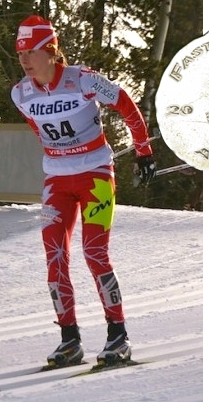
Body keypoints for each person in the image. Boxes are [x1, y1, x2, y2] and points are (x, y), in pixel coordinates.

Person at [11, 15, 157, 367]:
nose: (25, 60)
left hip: (95, 176)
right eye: (20, 54)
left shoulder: (82, 80)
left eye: (31, 52)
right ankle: (69, 340)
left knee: (95, 253)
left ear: (51, 50)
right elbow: (40, 131)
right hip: (57, 181)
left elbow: (125, 104)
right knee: (55, 256)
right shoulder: (21, 93)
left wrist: (144, 152)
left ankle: (118, 336)